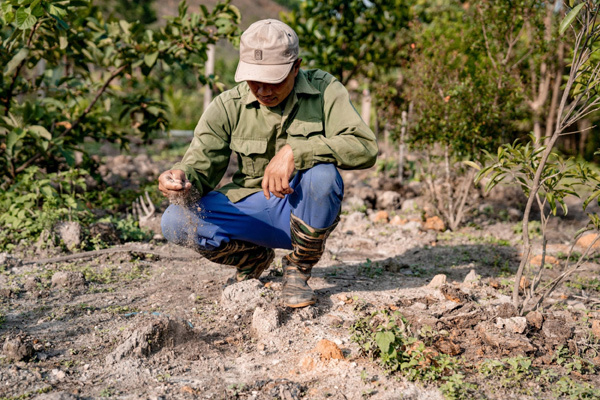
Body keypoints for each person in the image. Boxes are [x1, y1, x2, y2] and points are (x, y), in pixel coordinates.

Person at [158, 19, 377, 308]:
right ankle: (253, 258)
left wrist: (296, 151)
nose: (262, 90)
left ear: (296, 67)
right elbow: (200, 166)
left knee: (322, 176)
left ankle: (297, 269)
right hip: (250, 209)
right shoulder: (227, 105)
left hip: (304, 211)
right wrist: (181, 179)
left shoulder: (325, 91)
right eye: (253, 80)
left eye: (273, 80)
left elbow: (365, 147)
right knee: (175, 222)